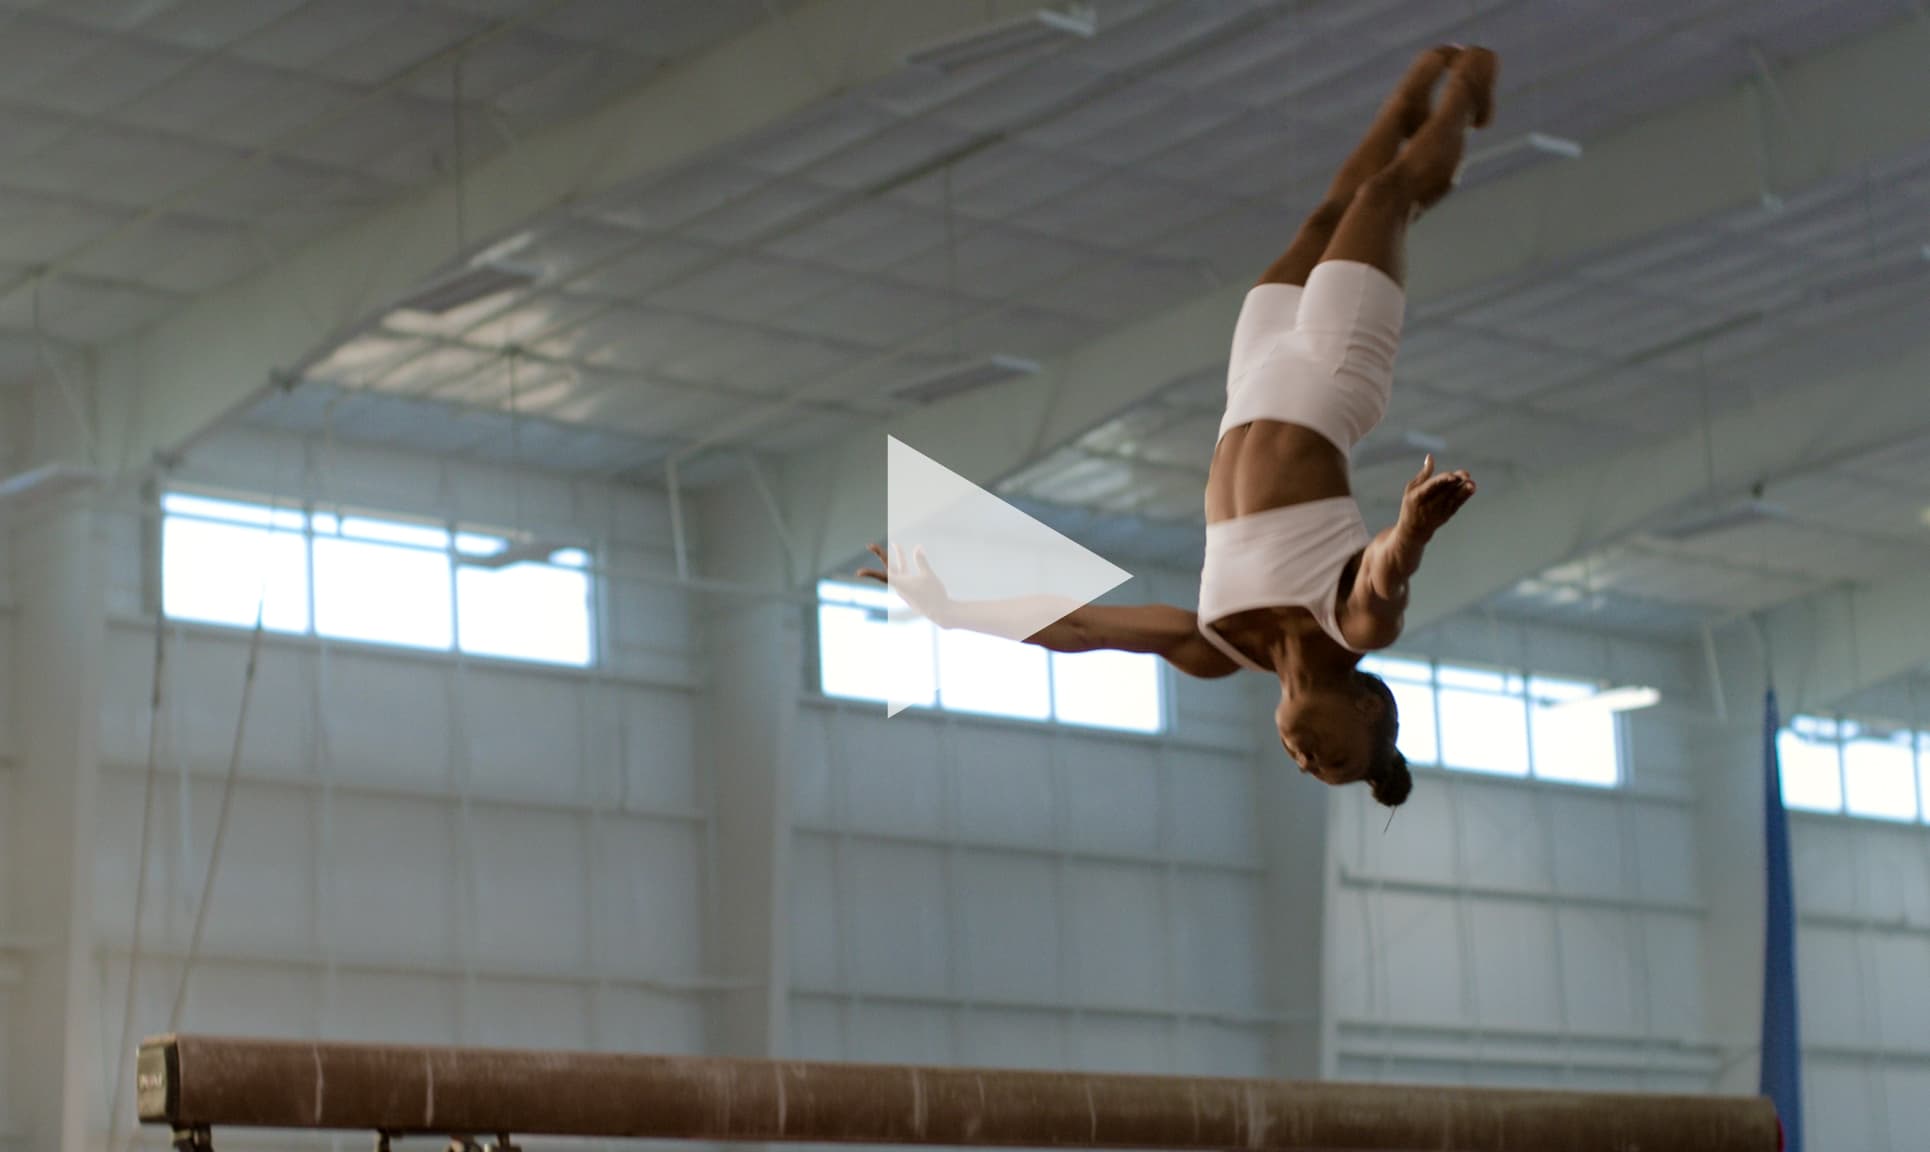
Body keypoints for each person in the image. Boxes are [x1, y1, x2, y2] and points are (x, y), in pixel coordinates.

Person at [860, 46, 1497, 809]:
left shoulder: (1216, 647)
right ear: (1369, 711)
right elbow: (1388, 575)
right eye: (1337, 762)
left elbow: (1085, 630)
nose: (1308, 761)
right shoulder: (1356, 631)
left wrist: (958, 611)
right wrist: (1413, 529)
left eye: (1307, 769)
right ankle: (1466, 94)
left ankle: (1400, 108)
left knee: (1326, 217)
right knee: (1388, 197)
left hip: (1256, 374)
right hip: (1333, 372)